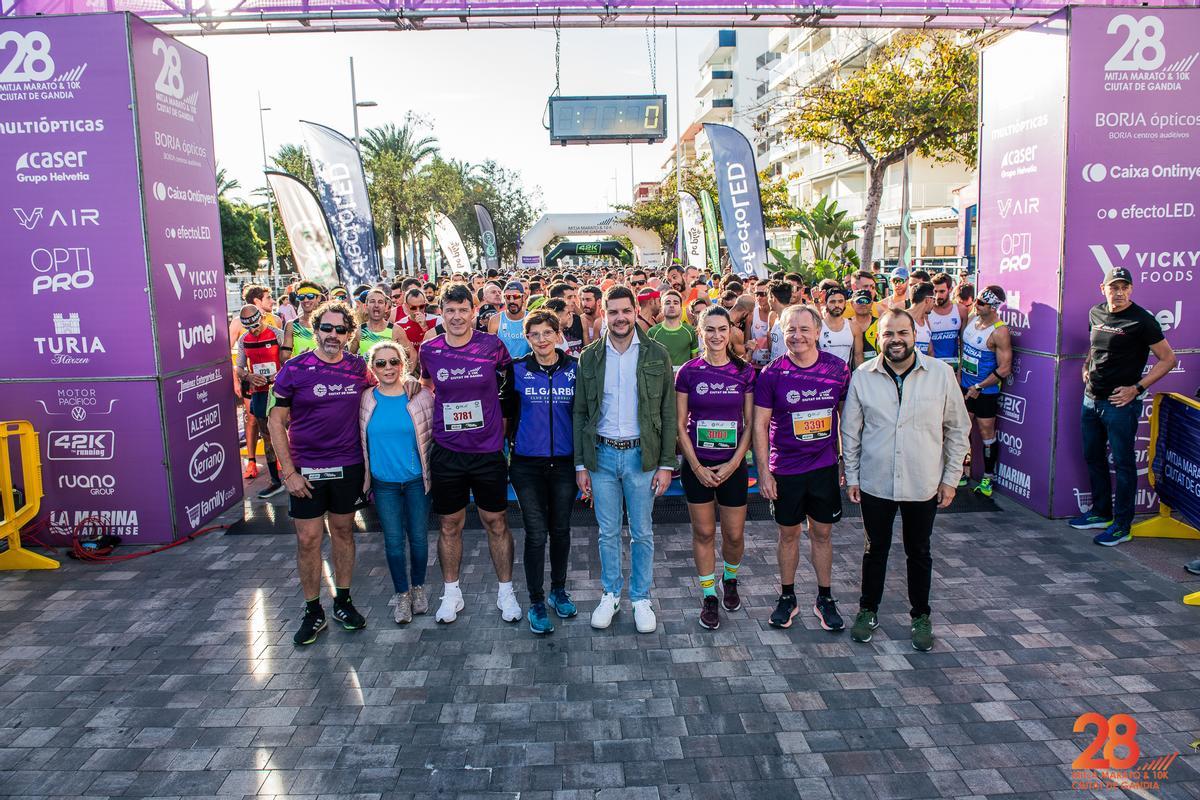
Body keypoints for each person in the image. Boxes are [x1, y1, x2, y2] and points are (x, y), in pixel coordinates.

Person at [841, 309, 971, 652]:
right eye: (888, 334)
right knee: (875, 550)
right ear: (877, 338)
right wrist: (851, 476)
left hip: (923, 481)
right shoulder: (862, 377)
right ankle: (868, 611)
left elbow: (958, 430)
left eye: (902, 333)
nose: (895, 340)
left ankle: (921, 615)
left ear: (915, 336)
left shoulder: (941, 375)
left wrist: (951, 479)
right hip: (875, 482)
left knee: (919, 551)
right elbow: (850, 433)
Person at [269, 301, 374, 646]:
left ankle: (342, 602)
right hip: (306, 470)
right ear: (315, 330)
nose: (332, 335)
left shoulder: (359, 368)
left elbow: (383, 392)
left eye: (340, 329)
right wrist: (289, 474)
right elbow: (275, 421)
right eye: (326, 328)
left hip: (347, 465)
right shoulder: (295, 369)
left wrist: (413, 387)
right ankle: (312, 610)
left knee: (343, 532)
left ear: (349, 334)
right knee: (308, 540)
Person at [574, 286, 677, 634]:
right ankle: (610, 593)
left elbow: (667, 409)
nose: (620, 317)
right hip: (601, 456)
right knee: (606, 533)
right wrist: (580, 464)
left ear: (636, 312)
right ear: (604, 313)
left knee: (642, 532)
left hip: (641, 456)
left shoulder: (656, 354)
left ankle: (641, 597)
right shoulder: (589, 357)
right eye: (613, 311)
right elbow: (580, 412)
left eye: (626, 311)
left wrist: (666, 463)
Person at [421, 284, 521, 623]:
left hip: (487, 450)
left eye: (463, 310)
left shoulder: (492, 346)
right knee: (449, 524)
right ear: (442, 313)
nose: (457, 317)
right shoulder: (429, 350)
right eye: (450, 310)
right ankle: (452, 595)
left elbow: (508, 389)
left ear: (473, 312)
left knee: (496, 521)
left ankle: (506, 593)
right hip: (448, 451)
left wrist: (505, 430)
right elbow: (425, 385)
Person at [753, 305, 852, 632]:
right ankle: (787, 596)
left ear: (818, 331)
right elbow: (759, 425)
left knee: (822, 534)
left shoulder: (838, 369)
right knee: (788, 533)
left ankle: (824, 597)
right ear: (782, 333)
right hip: (786, 469)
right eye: (790, 330)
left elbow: (846, 419)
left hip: (823, 467)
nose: (797, 336)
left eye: (804, 329)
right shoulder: (771, 374)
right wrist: (764, 471)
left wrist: (844, 462)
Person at [1072, 267, 1177, 545]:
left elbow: (1168, 359)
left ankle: (1122, 526)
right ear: (1102, 288)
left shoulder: (1142, 320)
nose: (1119, 293)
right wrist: (1086, 365)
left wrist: (1137, 388)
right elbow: (1094, 347)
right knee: (1093, 457)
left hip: (1120, 404)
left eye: (1124, 288)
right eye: (1113, 287)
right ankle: (1101, 513)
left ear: (1130, 290)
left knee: (1124, 464)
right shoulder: (1095, 312)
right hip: (1091, 399)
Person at [675, 307, 755, 630]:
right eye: (709, 329)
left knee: (734, 535)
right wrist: (695, 465)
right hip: (697, 466)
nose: (716, 336)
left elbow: (750, 423)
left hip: (733, 466)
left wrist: (734, 462)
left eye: (722, 329)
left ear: (731, 331)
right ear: (699, 331)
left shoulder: (745, 373)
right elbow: (680, 425)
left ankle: (730, 578)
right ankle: (709, 595)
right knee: (704, 532)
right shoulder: (688, 372)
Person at [510, 310, 580, 635]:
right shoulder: (517, 370)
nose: (541, 340)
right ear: (527, 338)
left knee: (562, 531)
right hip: (527, 465)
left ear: (558, 334)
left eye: (547, 333)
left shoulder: (574, 370)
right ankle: (536, 601)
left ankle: (558, 591)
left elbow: (583, 416)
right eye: (534, 335)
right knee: (536, 534)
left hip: (565, 464)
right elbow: (507, 415)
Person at [360, 341, 432, 624]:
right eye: (381, 363)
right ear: (372, 367)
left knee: (418, 539)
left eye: (394, 362)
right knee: (392, 542)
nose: (388, 368)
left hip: (416, 481)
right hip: (384, 483)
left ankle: (418, 588)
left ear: (404, 364)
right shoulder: (365, 399)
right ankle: (401, 594)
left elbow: (434, 433)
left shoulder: (421, 396)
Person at [958, 285, 1013, 497]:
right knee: (961, 429)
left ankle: (988, 478)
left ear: (993, 307)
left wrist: (979, 386)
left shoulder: (1000, 331)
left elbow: (1005, 368)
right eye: (977, 300)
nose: (976, 305)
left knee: (986, 432)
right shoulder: (972, 320)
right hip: (966, 386)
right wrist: (961, 374)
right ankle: (961, 472)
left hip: (985, 391)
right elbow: (965, 350)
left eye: (981, 302)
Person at [233, 304, 286, 499]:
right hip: (260, 391)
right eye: (249, 327)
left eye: (256, 325)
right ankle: (275, 480)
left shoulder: (277, 334)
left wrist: (277, 375)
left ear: (262, 317)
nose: (253, 330)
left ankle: (300, 473)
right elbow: (238, 367)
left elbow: (290, 360)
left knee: (295, 430)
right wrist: (248, 376)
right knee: (266, 435)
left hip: (281, 390)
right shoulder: (244, 339)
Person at [647, 289, 699, 372]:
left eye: (675, 303)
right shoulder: (652, 332)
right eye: (667, 303)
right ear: (661, 308)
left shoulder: (691, 331)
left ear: (681, 308)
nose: (671, 305)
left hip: (684, 380)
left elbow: (695, 360)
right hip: (661, 380)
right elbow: (649, 361)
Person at [928, 272, 966, 368]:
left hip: (953, 366)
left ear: (950, 290)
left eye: (942, 291)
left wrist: (960, 370)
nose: (937, 296)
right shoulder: (926, 312)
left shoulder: (961, 310)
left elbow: (963, 343)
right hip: (932, 366)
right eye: (935, 292)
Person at [280, 281, 324, 360]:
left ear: (319, 298)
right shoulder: (292, 325)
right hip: (301, 371)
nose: (306, 300)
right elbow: (284, 358)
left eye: (310, 296)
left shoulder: (328, 324)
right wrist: (299, 358)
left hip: (325, 371)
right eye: (301, 297)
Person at [488, 280, 531, 359]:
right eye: (507, 296)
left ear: (523, 297)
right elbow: (491, 349)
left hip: (528, 367)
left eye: (516, 296)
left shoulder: (531, 318)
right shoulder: (495, 320)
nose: (511, 301)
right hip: (505, 367)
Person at [818, 287, 857, 365]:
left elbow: (858, 356)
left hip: (845, 375)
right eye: (832, 301)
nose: (837, 305)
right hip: (823, 374)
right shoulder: (817, 327)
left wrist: (860, 376)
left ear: (845, 303)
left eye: (840, 301)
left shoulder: (853, 327)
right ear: (826, 304)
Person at [849, 289, 880, 367]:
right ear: (852, 304)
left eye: (866, 301)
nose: (863, 304)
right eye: (859, 301)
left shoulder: (879, 324)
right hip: (851, 372)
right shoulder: (846, 324)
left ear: (872, 304)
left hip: (876, 369)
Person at [749, 283, 773, 367]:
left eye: (763, 294)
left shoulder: (779, 314)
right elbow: (746, 341)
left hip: (774, 365)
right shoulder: (751, 314)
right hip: (756, 364)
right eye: (757, 294)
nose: (759, 297)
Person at [908, 282, 935, 356]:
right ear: (928, 300)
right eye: (934, 300)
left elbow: (930, 352)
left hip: (923, 367)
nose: (934, 303)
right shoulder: (903, 318)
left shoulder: (926, 322)